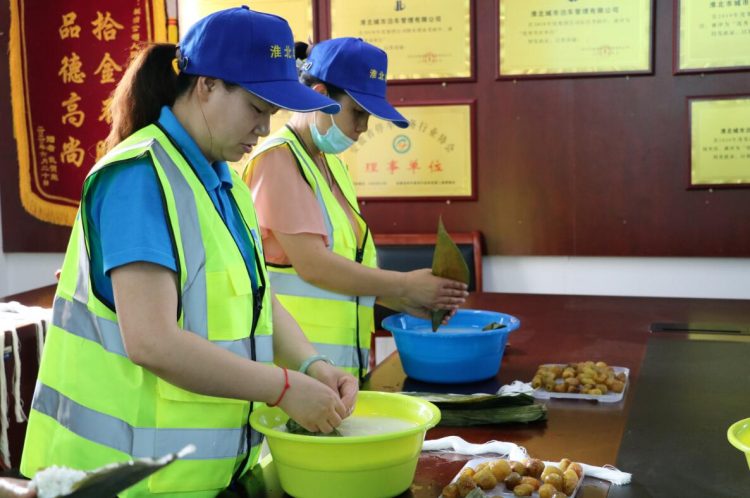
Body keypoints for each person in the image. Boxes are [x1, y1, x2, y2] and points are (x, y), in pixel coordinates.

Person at [20, 7, 357, 498]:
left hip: (203, 478)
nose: (264, 129)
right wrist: (282, 388)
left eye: (271, 114)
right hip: (124, 482)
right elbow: (152, 342)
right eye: (256, 109)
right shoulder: (139, 177)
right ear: (207, 86)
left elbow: (256, 300)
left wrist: (313, 366)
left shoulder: (225, 183)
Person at [243, 38, 469, 381]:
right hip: (294, 374)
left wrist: (405, 301)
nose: (363, 128)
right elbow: (314, 266)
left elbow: (345, 269)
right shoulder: (277, 160)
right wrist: (404, 285)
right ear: (320, 95)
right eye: (358, 113)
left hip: (338, 372)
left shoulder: (331, 165)